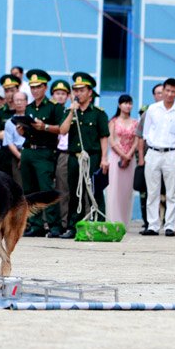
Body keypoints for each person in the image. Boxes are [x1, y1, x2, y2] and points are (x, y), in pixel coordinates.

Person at [59, 72, 110, 239]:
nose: (78, 93)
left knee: (95, 191)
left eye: (81, 90)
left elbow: (104, 136)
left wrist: (104, 158)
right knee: (75, 192)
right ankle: (74, 226)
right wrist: (70, 113)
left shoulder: (98, 113)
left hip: (92, 157)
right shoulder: (70, 111)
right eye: (76, 90)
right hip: (74, 157)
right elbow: (62, 131)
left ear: (89, 92)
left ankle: (99, 224)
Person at [141, 78, 175, 237]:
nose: (169, 94)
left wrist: (172, 146)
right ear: (163, 90)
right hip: (153, 152)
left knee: (171, 192)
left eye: (173, 91)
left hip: (171, 153)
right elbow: (146, 132)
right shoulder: (153, 109)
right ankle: (153, 225)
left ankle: (170, 226)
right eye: (167, 91)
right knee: (152, 191)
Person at [19, 69, 64, 238]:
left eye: (38, 87)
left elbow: (61, 129)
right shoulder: (29, 107)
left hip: (44, 152)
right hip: (28, 150)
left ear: (45, 88)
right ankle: (36, 224)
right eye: (32, 87)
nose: (35, 90)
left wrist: (44, 126)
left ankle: (54, 225)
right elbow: (27, 132)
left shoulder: (54, 107)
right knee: (30, 191)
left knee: (46, 189)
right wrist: (22, 129)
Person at [106, 94, 138, 228]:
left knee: (127, 191)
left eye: (130, 103)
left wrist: (129, 155)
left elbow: (137, 141)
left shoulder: (135, 122)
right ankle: (112, 220)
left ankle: (125, 222)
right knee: (113, 189)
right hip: (115, 158)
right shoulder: (113, 121)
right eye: (125, 103)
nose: (127, 106)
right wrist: (122, 155)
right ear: (119, 105)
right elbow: (111, 141)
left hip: (130, 160)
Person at [136, 83, 164, 233]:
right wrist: (141, 158)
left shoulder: (173, 111)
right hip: (150, 156)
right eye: (158, 93)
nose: (161, 95)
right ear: (154, 95)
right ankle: (149, 223)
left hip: (167, 157)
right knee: (148, 192)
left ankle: (167, 224)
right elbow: (140, 137)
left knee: (167, 194)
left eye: (162, 92)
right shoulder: (148, 113)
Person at [51, 80, 71, 231]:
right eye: (57, 93)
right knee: (57, 188)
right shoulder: (51, 111)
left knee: (68, 189)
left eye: (63, 94)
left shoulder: (70, 111)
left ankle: (67, 221)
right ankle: (58, 222)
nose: (60, 97)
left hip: (69, 151)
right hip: (54, 152)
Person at [0, 74, 20, 177]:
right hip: (5, 152)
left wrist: (6, 134)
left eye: (12, 90)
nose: (9, 94)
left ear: (18, 90)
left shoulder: (24, 109)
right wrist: (15, 134)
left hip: (20, 151)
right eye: (6, 91)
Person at [2, 91, 27, 187]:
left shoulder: (33, 118)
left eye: (21, 100)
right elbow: (10, 142)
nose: (19, 103)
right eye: (17, 100)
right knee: (19, 184)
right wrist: (21, 157)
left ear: (26, 102)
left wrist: (25, 156)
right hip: (16, 154)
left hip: (31, 152)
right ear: (13, 103)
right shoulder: (9, 122)